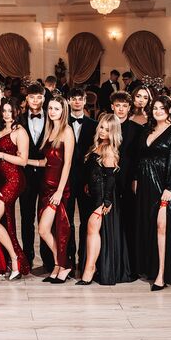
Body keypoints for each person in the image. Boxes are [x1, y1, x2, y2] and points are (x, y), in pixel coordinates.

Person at [134, 96, 171, 290]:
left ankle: (162, 275)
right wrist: (136, 180)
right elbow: (139, 157)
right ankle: (150, 268)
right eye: (155, 108)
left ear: (169, 110)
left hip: (165, 187)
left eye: (162, 108)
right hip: (146, 186)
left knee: (162, 227)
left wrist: (170, 187)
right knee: (148, 226)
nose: (158, 111)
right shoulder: (147, 129)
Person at [77, 113, 132, 285]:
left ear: (113, 132)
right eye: (101, 127)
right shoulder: (97, 145)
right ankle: (91, 267)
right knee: (91, 231)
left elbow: (110, 178)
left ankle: (90, 269)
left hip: (102, 197)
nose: (102, 131)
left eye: (107, 130)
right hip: (93, 194)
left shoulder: (108, 150)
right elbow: (95, 171)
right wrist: (88, 184)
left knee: (92, 230)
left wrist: (106, 201)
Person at [0, 98, 30, 279]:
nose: (6, 114)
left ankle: (15, 259)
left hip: (13, 180)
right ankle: (8, 264)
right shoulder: (0, 129)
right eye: (4, 110)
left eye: (10, 111)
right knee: (7, 223)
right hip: (0, 180)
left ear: (17, 112)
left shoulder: (20, 131)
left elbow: (23, 161)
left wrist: (0, 154)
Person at [31, 95, 74, 284]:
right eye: (50, 108)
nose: (52, 112)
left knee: (44, 229)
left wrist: (59, 191)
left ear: (63, 111)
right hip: (45, 187)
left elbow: (67, 164)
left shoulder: (67, 131)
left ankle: (65, 264)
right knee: (48, 230)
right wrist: (24, 161)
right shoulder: (49, 131)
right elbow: (45, 162)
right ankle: (60, 264)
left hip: (58, 188)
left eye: (56, 108)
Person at [66, 87, 98, 272]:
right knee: (67, 221)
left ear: (85, 101)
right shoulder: (61, 123)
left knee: (86, 221)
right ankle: (69, 260)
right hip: (67, 179)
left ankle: (84, 258)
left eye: (80, 99)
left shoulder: (94, 125)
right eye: (74, 98)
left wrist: (90, 181)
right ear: (69, 101)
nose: (77, 101)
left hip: (86, 181)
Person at [110, 92, 141, 278]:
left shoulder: (137, 129)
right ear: (112, 107)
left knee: (129, 222)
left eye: (124, 106)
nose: (121, 109)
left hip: (128, 181)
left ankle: (129, 266)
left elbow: (139, 158)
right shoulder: (105, 126)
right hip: (108, 180)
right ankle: (111, 264)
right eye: (118, 105)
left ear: (129, 108)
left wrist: (135, 179)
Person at [18, 83, 47, 269]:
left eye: (39, 97)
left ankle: (47, 260)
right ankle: (27, 257)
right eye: (32, 97)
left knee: (45, 218)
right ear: (27, 99)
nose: (35, 100)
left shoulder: (52, 118)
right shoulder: (19, 119)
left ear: (43, 98)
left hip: (46, 175)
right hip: (25, 175)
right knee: (26, 218)